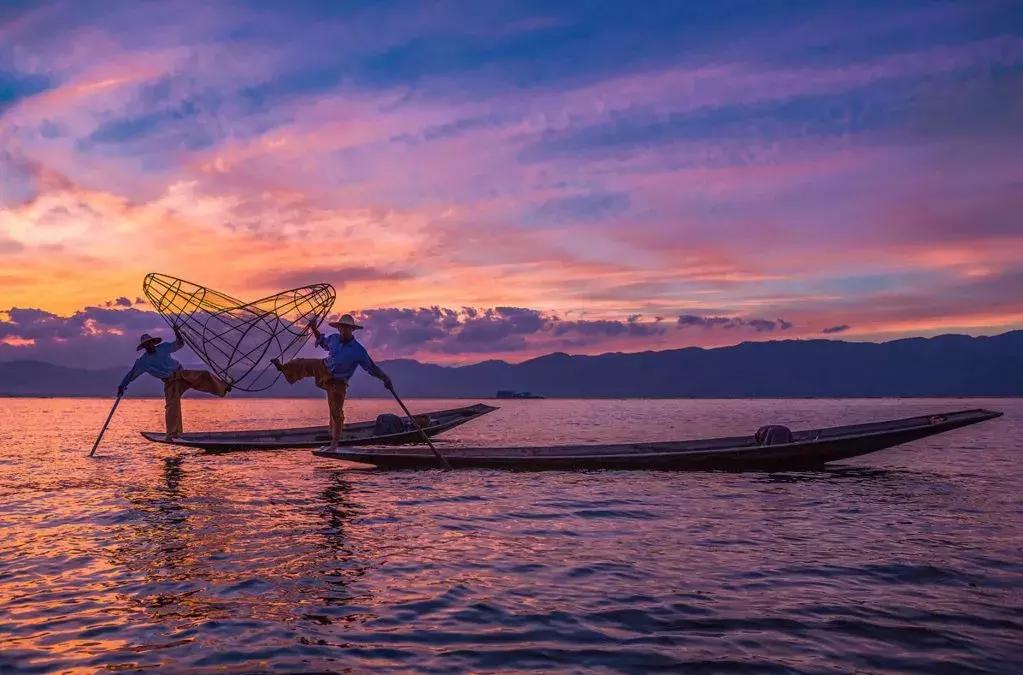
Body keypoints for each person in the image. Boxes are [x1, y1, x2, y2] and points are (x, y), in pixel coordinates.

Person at [272, 313, 392, 449]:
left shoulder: (358, 351)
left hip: (338, 381)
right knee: (301, 363)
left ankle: (335, 442)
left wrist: (385, 378)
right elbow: (322, 342)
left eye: (346, 328)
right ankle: (282, 368)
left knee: (336, 411)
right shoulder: (334, 339)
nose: (343, 330)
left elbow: (371, 368)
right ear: (338, 328)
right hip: (324, 367)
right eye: (341, 328)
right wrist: (314, 328)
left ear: (352, 330)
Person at [119, 328, 231, 439]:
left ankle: (223, 388)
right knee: (172, 406)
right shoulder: (143, 361)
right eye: (147, 345)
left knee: (204, 375)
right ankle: (174, 433)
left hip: (181, 374)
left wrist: (177, 332)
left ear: (153, 343)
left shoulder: (163, 348)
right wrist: (122, 386)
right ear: (144, 347)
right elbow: (131, 374)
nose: (149, 346)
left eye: (150, 343)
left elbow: (179, 344)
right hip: (170, 382)